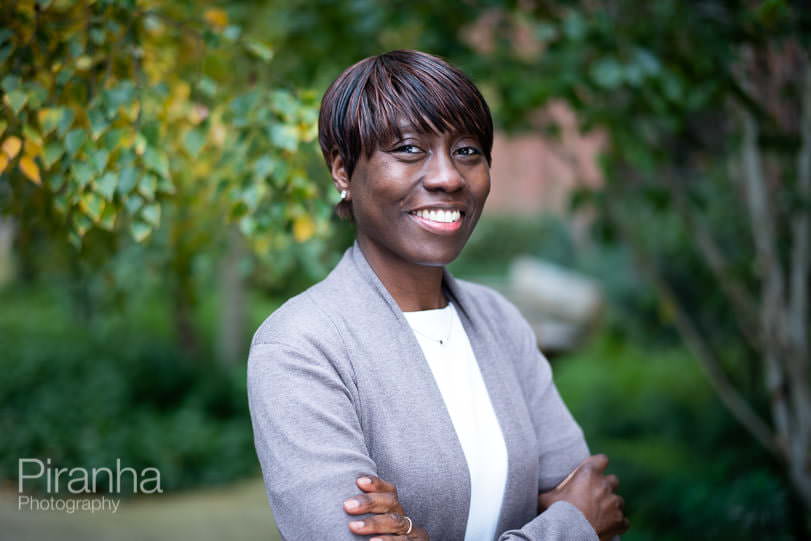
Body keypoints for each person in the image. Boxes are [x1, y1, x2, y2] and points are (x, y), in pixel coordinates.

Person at [247, 49, 629, 541]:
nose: (448, 177)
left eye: (467, 151)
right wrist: (569, 527)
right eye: (409, 149)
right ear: (342, 170)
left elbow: (592, 497)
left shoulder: (499, 320)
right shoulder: (301, 345)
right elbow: (585, 519)